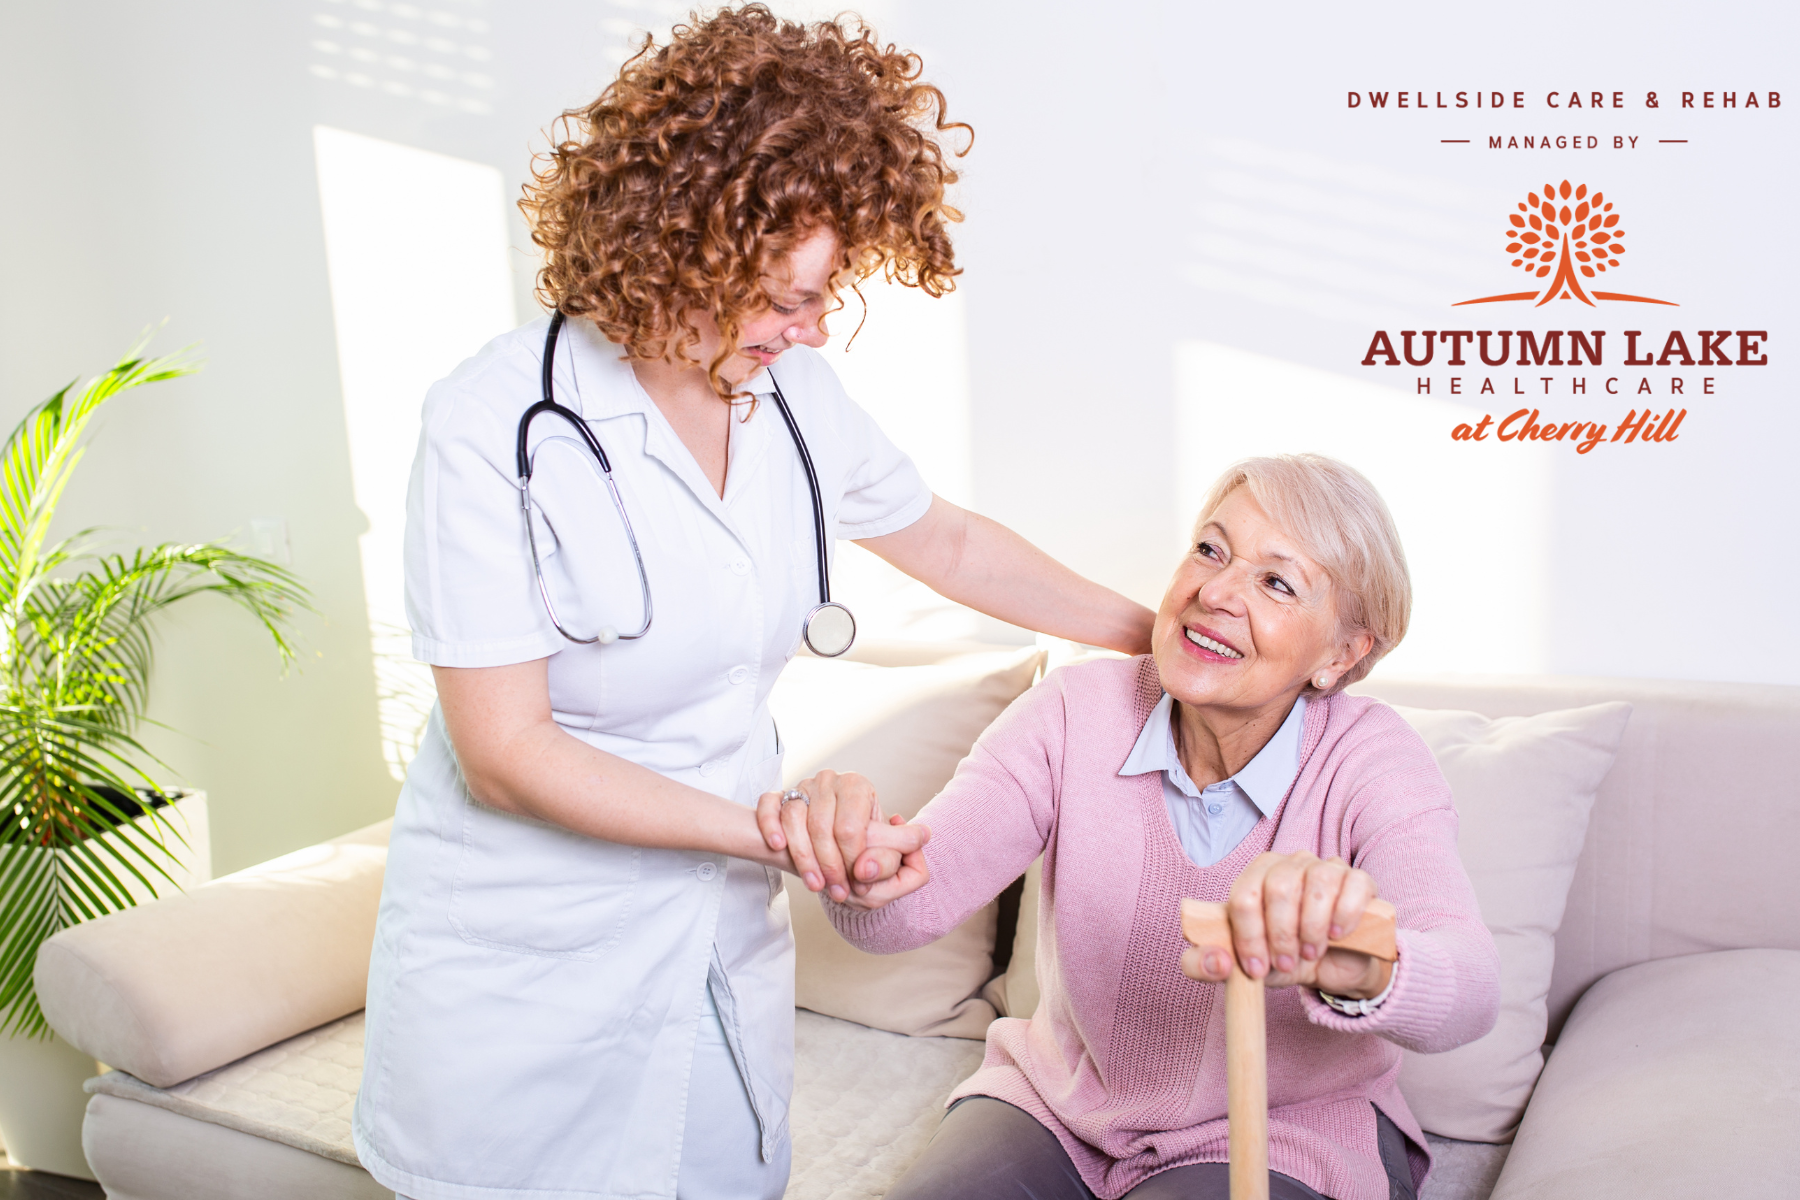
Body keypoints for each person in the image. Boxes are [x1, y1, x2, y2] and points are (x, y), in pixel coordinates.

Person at [350, 9, 1154, 1200]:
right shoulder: (494, 427)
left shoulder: (795, 400)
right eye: (785, 298)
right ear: (677, 252)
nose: (814, 327)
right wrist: (779, 835)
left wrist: (1161, 638)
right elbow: (507, 753)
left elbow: (949, 541)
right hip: (522, 971)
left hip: (714, 951)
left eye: (828, 296)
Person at [780, 455, 1501, 1200]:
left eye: (1277, 582)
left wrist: (1359, 966)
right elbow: (905, 910)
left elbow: (1471, 988)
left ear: (1342, 655)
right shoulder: (1074, 711)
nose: (1214, 592)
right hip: (1058, 1108)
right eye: (1210, 550)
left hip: (1289, 1128)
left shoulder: (1372, 759)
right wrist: (858, 867)